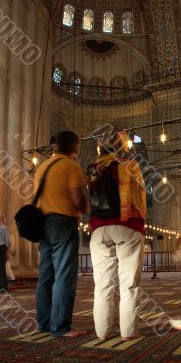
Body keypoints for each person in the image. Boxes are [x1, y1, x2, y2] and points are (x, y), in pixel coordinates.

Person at [88, 128, 146, 341]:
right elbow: (139, 199)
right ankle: (128, 333)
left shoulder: (95, 166)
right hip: (127, 226)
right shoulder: (129, 164)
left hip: (99, 229)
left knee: (103, 285)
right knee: (128, 284)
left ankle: (102, 333)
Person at [35, 131, 89, 337]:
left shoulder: (42, 167)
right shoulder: (71, 167)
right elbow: (77, 201)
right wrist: (86, 207)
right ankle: (61, 327)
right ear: (74, 148)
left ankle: (44, 324)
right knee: (64, 275)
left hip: (43, 223)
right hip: (62, 223)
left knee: (46, 276)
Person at [0, 216, 10, 292]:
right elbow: (7, 242)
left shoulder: (4, 228)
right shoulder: (3, 227)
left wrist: (6, 252)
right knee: (1, 268)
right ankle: (2, 286)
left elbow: (7, 242)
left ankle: (3, 287)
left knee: (2, 268)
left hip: (2, 248)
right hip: (2, 248)